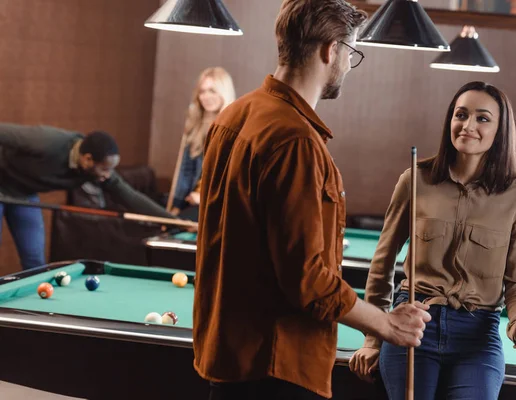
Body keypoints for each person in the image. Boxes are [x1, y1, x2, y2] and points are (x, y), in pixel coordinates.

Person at [192, 1, 432, 399]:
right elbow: (308, 281)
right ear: (330, 50)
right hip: (278, 366)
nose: (347, 66)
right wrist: (386, 324)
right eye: (351, 53)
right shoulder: (295, 141)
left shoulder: (231, 117)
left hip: (229, 359)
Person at [349, 81, 516, 399]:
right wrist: (373, 338)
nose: (467, 125)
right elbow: (382, 263)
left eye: (482, 118)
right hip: (414, 322)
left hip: (478, 335)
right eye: (460, 114)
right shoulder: (416, 179)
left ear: (500, 131)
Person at [0, 123, 176, 270]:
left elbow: (130, 196)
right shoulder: (48, 142)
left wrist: (172, 221)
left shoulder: (97, 171)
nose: (108, 175)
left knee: (34, 260)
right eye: (105, 169)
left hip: (24, 194)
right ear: (87, 159)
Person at [167, 67, 236, 218]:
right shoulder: (195, 126)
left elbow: (233, 177)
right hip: (192, 201)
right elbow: (186, 171)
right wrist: (176, 207)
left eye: (212, 90)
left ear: (224, 92)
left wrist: (203, 197)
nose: (206, 96)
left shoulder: (235, 128)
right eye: (202, 91)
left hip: (220, 204)